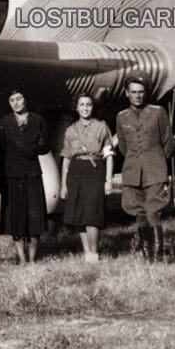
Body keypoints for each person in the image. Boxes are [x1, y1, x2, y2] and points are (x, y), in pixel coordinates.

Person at [115, 73, 175, 261]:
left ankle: (158, 256)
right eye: (133, 92)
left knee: (153, 211)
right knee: (139, 213)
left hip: (155, 170)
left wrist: (156, 160)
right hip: (133, 171)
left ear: (145, 93)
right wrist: (136, 162)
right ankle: (147, 256)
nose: (137, 96)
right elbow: (123, 146)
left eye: (141, 92)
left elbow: (169, 143)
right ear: (127, 93)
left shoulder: (158, 112)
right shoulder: (121, 117)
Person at [0, 88, 49, 264]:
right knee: (16, 219)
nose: (16, 103)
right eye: (12, 100)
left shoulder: (37, 120)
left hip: (32, 174)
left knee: (35, 219)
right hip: (12, 175)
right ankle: (21, 258)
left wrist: (33, 148)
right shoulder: (4, 122)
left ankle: (32, 259)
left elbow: (44, 146)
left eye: (19, 99)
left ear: (26, 99)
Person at [60, 93, 114, 263]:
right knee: (79, 215)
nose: (85, 108)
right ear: (76, 107)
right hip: (76, 171)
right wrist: (63, 185)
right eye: (82, 105)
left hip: (95, 170)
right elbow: (66, 158)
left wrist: (108, 180)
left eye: (88, 104)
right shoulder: (70, 130)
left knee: (93, 213)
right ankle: (86, 253)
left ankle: (94, 252)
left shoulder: (102, 127)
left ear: (93, 107)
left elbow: (109, 155)